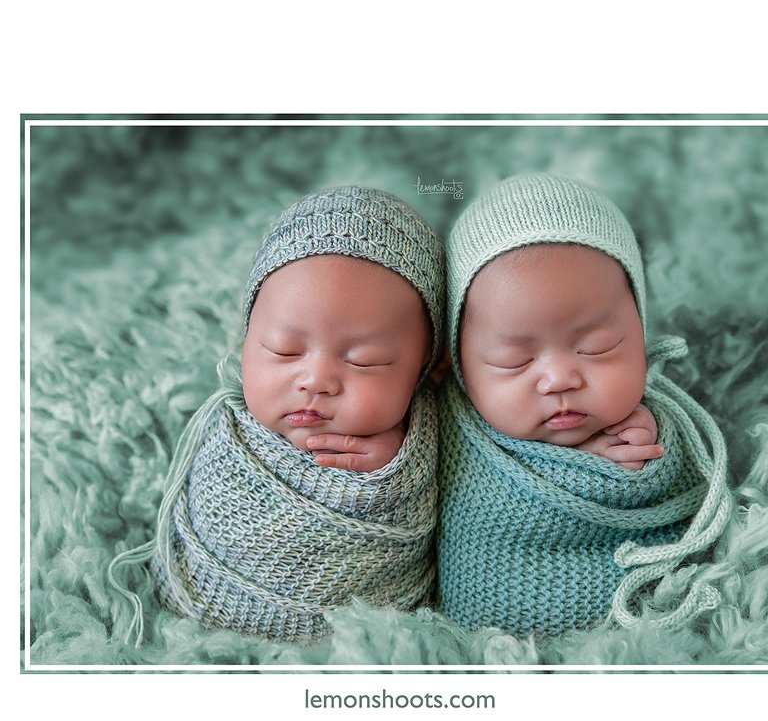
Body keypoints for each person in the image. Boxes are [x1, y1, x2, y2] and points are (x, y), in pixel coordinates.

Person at [109, 185, 444, 645]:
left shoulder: (425, 439)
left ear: (423, 370)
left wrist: (397, 469)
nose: (315, 380)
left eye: (364, 360)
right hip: (198, 616)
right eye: (284, 350)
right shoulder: (227, 431)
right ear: (247, 341)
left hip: (354, 639)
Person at [437, 172, 731, 639]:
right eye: (514, 359)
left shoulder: (654, 421)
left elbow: (686, 486)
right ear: (457, 364)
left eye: (596, 347)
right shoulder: (443, 425)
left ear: (640, 334)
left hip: (634, 636)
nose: (559, 379)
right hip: (482, 643)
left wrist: (645, 457)